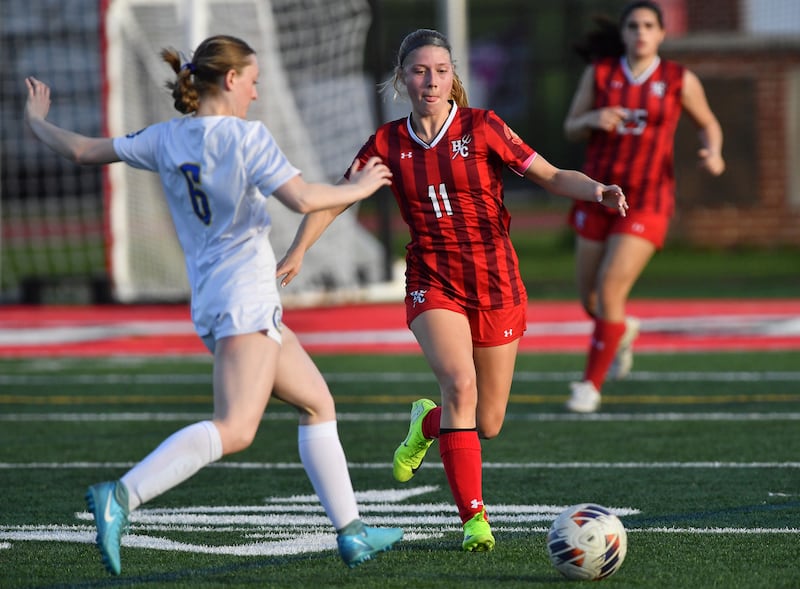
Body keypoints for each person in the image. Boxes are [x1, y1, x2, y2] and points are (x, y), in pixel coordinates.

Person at [23, 34, 403, 575]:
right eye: (252, 78)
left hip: (221, 300)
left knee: (318, 403)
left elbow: (84, 150)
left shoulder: (166, 138)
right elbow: (302, 198)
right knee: (237, 428)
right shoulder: (246, 138)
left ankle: (353, 533)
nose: (256, 89)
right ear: (229, 80)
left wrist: (37, 122)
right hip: (243, 300)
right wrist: (360, 187)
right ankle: (121, 496)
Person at [276, 28, 628, 553]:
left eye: (440, 71)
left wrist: (597, 190)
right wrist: (300, 249)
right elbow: (338, 198)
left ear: (453, 78)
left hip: (496, 283)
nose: (431, 81)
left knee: (487, 421)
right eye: (419, 71)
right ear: (402, 79)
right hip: (432, 281)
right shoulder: (386, 144)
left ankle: (427, 422)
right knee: (460, 384)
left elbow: (552, 176)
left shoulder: (483, 127)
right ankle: (474, 520)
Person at [563, 0, 725, 413]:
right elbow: (571, 126)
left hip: (647, 200)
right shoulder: (600, 74)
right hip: (598, 193)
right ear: (623, 33)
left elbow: (707, 122)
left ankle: (589, 386)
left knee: (611, 288)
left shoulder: (677, 79)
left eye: (649, 25)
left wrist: (714, 152)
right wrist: (593, 118)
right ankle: (622, 330)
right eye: (633, 25)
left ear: (661, 33)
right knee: (592, 301)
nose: (641, 32)